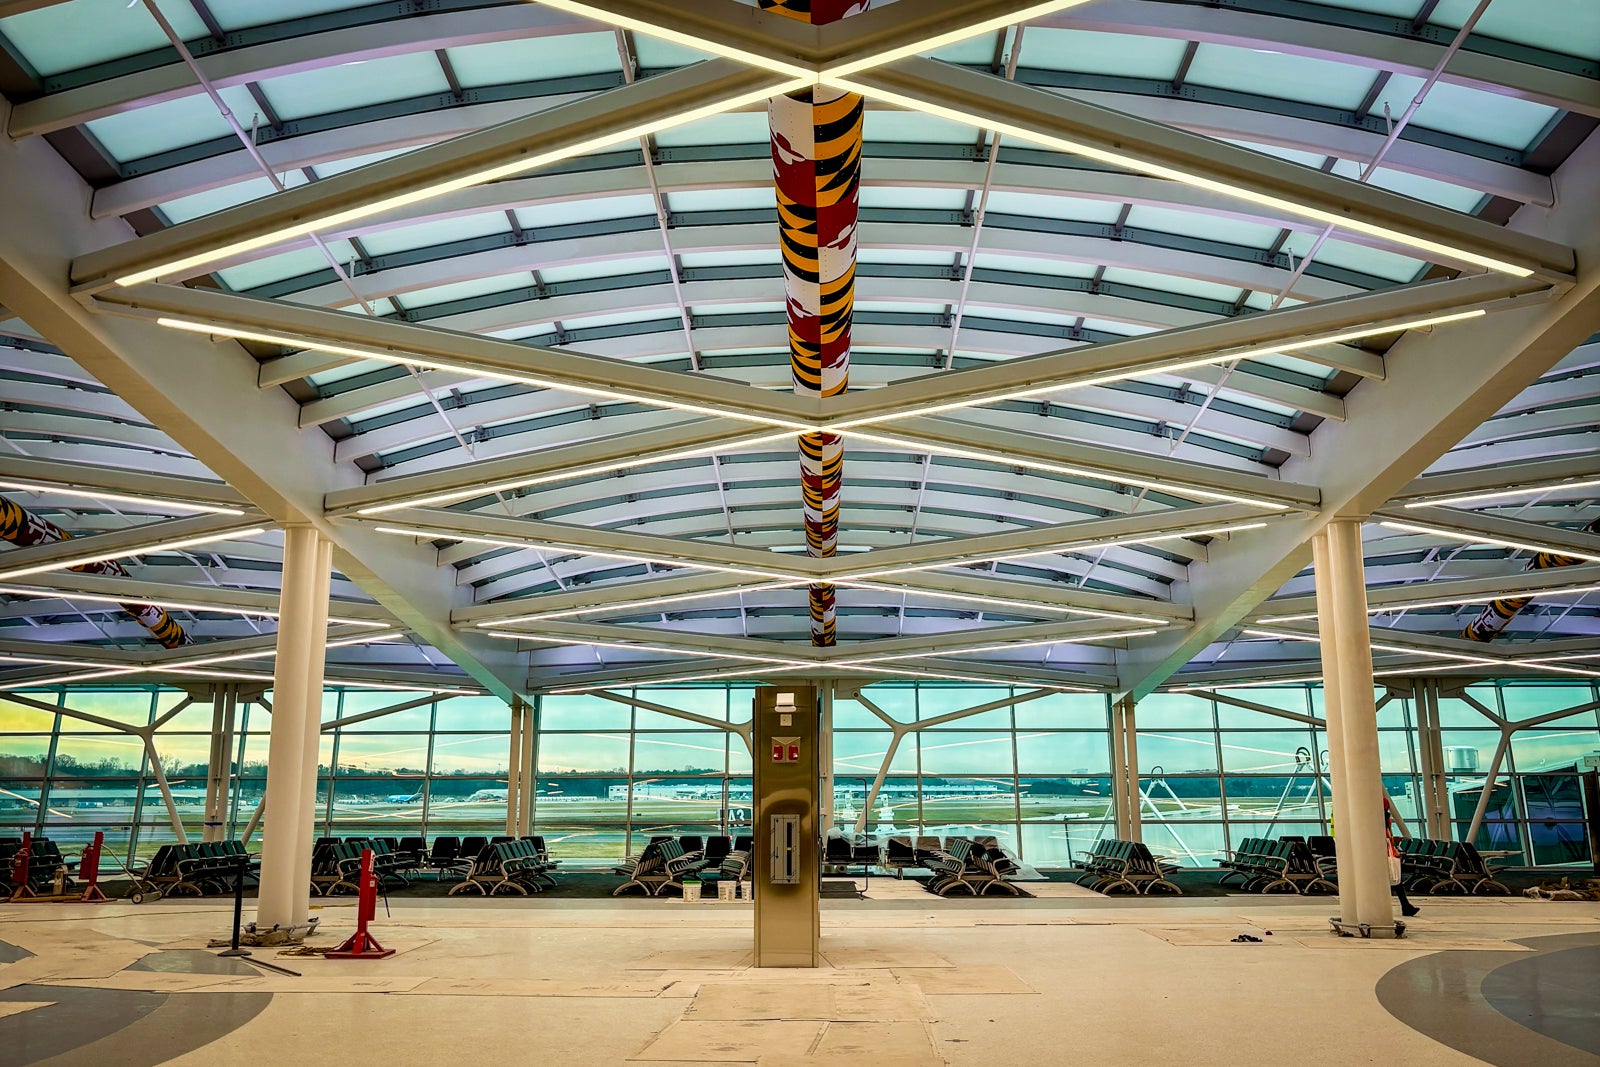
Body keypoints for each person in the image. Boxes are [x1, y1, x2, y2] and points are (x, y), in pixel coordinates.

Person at [1383, 794, 1419, 917]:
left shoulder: (1378, 822)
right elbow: (1388, 839)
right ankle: (1405, 906)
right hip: (1387, 855)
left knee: (1396, 882)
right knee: (1396, 882)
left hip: (1384, 854)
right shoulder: (1384, 823)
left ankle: (1406, 906)